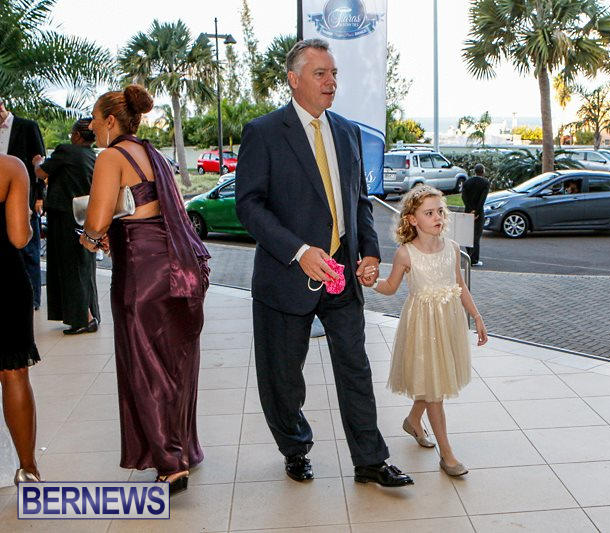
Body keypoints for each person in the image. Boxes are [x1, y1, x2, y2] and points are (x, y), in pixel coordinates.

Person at [235, 38, 413, 487]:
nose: (331, 81)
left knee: (356, 368)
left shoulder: (347, 131)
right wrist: (299, 251)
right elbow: (249, 205)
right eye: (320, 74)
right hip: (286, 276)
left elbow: (358, 201)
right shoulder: (264, 132)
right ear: (294, 80)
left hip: (343, 276)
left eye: (333, 73)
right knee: (283, 377)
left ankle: (370, 460)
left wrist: (369, 251)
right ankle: (295, 448)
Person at [80, 85, 210, 495]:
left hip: (142, 272)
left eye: (95, 119)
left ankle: (170, 465)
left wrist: (89, 238)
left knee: (145, 366)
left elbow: (97, 220)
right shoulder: (152, 154)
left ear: (111, 120)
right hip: (178, 268)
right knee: (176, 363)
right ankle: (183, 449)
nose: (92, 127)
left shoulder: (112, 157)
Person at [369, 185, 488, 477]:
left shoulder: (452, 248)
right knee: (434, 389)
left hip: (448, 323)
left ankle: (413, 420)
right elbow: (390, 287)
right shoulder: (405, 254)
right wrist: (371, 283)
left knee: (435, 378)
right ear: (412, 219)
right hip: (422, 326)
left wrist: (476, 316)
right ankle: (447, 455)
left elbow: (460, 285)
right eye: (429, 213)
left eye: (439, 212)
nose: (437, 217)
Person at [33, 118, 100, 334]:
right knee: (84, 265)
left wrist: (37, 161)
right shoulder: (92, 155)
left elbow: (41, 172)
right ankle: (90, 314)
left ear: (77, 135)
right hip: (85, 216)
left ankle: (83, 319)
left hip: (64, 216)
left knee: (70, 267)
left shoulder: (66, 151)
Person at [0, 153, 42, 485]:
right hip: (4, 282)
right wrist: (26, 220)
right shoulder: (10, 167)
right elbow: (18, 237)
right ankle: (28, 469)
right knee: (13, 373)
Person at [0, 97, 45, 309]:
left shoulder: (27, 126)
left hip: (23, 198)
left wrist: (39, 197)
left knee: (31, 252)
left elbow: (39, 161)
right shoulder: (11, 166)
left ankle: (36, 297)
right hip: (9, 189)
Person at [461, 163, 490, 266]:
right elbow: (482, 200)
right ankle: (474, 259)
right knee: (476, 236)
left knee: (468, 235)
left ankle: (469, 255)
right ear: (483, 171)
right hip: (479, 213)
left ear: (475, 171)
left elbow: (464, 197)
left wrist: (470, 210)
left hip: (468, 211)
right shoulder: (485, 183)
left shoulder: (467, 182)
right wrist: (476, 211)